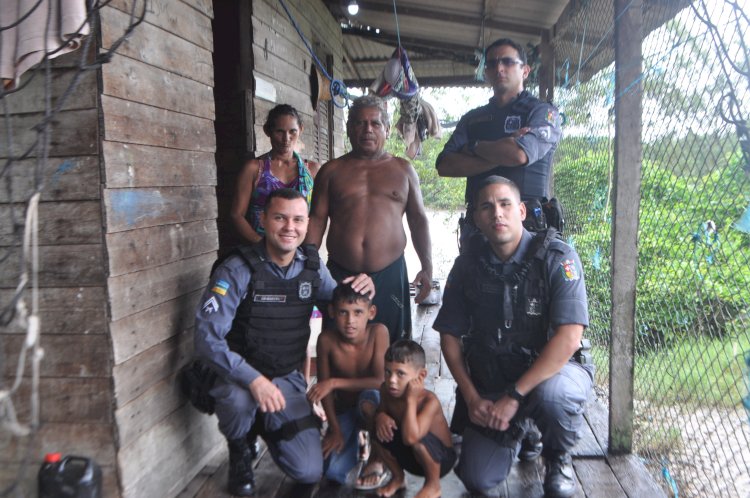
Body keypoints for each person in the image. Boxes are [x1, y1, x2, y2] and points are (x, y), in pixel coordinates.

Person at [193, 188, 375, 496]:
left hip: (285, 376)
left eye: (297, 219)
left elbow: (343, 301)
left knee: (309, 471)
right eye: (280, 218)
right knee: (238, 401)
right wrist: (254, 381)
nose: (290, 227)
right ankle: (241, 446)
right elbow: (207, 338)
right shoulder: (237, 269)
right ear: (263, 220)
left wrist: (364, 287)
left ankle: (265, 422)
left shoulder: (312, 268)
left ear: (307, 224)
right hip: (239, 376)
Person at [434, 176, 593, 498]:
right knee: (477, 478)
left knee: (553, 397)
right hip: (495, 375)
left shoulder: (558, 257)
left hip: (552, 372)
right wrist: (471, 396)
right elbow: (449, 335)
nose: (497, 214)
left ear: (521, 210)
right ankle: (525, 429)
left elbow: (569, 337)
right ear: (476, 218)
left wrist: (515, 397)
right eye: (486, 207)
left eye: (505, 204)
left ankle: (557, 458)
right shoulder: (468, 264)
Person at [306, 95, 433, 344]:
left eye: (375, 124)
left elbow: (419, 220)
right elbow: (317, 219)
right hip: (341, 272)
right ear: (350, 128)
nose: (368, 130)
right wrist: (309, 265)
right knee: (339, 345)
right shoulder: (331, 171)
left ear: (386, 129)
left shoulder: (403, 170)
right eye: (360, 123)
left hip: (390, 273)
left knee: (393, 351)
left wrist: (427, 267)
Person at [435, 38, 562, 243]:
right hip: (479, 227)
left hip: (528, 230)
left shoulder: (542, 112)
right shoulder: (472, 119)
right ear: (486, 72)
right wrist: (504, 150)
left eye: (507, 62)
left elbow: (520, 154)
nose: (499, 68)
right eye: (492, 64)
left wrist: (473, 147)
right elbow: (445, 165)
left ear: (525, 71)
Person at [306, 284, 390, 485]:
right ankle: (360, 443)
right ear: (332, 312)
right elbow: (325, 393)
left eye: (358, 312)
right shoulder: (326, 340)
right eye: (343, 312)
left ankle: (379, 457)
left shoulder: (378, 332)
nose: (350, 321)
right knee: (333, 471)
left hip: (375, 407)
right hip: (346, 412)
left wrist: (334, 383)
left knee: (369, 398)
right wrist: (334, 429)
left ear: (371, 312)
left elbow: (380, 382)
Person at [357, 339, 456, 498]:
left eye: (400, 373)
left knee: (418, 438)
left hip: (440, 461)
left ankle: (433, 485)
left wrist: (411, 400)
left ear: (421, 375)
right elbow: (383, 415)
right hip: (411, 457)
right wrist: (380, 416)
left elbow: (412, 438)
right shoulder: (386, 390)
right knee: (377, 429)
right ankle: (398, 478)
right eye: (388, 372)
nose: (392, 380)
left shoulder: (429, 402)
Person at [230, 104, 320, 244]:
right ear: (268, 131)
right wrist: (263, 245)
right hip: (261, 250)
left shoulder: (312, 170)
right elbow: (237, 215)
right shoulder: (254, 169)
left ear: (301, 129)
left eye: (292, 131)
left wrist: (309, 249)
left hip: (299, 251)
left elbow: (317, 216)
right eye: (279, 131)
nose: (286, 138)